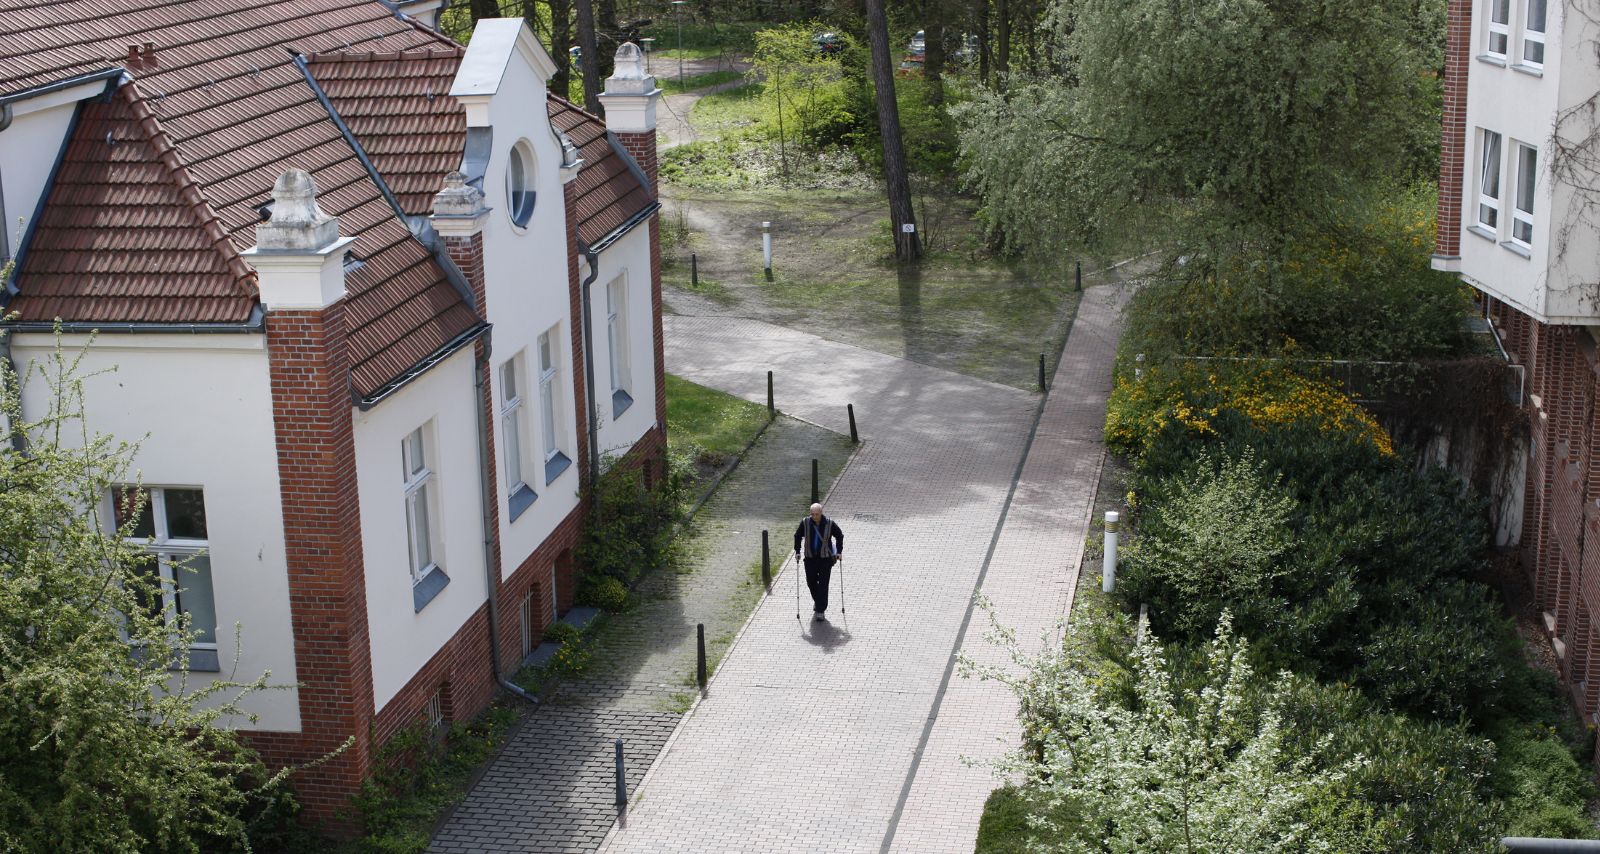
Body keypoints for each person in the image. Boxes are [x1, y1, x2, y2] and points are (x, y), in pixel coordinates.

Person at [794, 502, 844, 621]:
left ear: (821, 513)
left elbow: (840, 535)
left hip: (825, 559)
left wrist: (839, 551)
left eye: (817, 514)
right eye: (812, 514)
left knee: (823, 584)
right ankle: (818, 601)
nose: (814, 516)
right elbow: (797, 535)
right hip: (810, 558)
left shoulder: (830, 523)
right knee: (810, 582)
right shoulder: (805, 522)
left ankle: (820, 610)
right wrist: (797, 551)